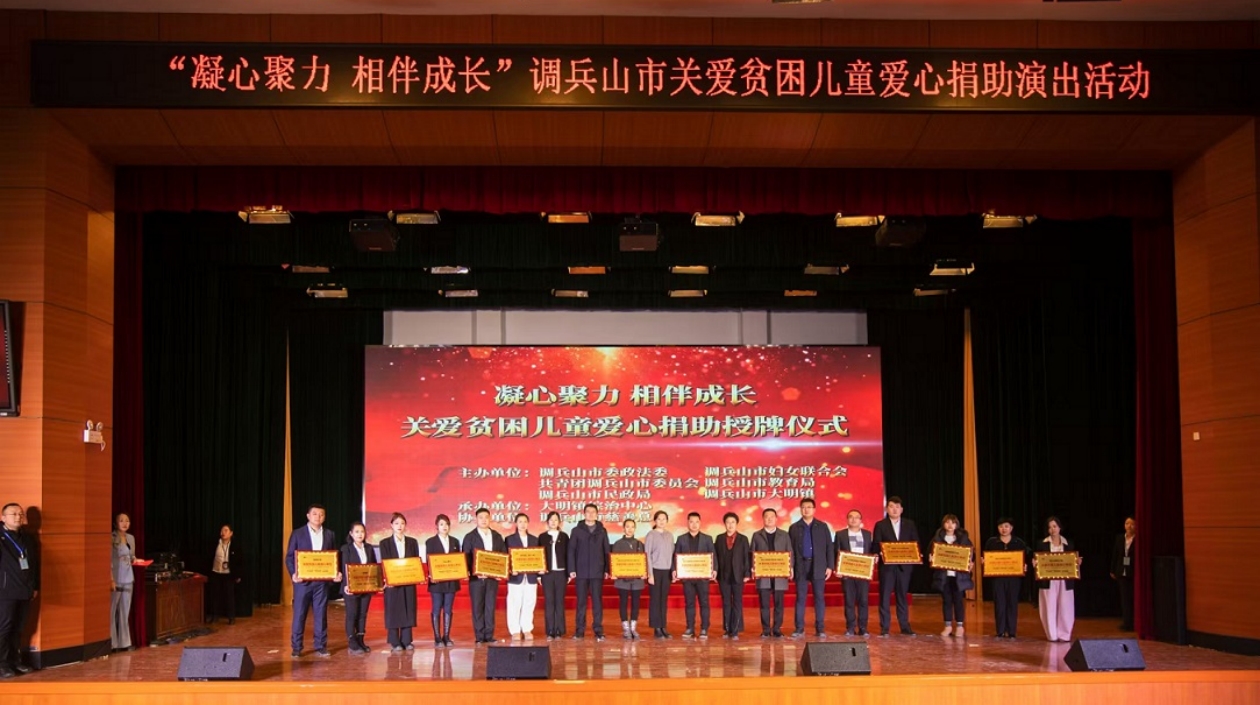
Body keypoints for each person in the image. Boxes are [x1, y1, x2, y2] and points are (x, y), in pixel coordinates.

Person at [284, 504, 341, 658]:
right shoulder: (298, 533)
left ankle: (321, 646)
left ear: (324, 517)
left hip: (321, 583)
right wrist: (294, 574)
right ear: (308, 516)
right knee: (299, 614)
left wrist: (335, 573)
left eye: (321, 514)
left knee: (321, 615)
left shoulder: (329, 534)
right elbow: (289, 557)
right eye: (315, 514)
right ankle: (297, 647)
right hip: (303, 582)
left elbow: (333, 557)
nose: (318, 517)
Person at [871, 496, 919, 636]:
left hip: (904, 567)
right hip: (887, 567)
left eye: (897, 507)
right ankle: (885, 627)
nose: (894, 510)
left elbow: (915, 543)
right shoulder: (880, 525)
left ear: (901, 510)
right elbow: (876, 544)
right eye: (891, 507)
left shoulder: (909, 524)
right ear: (887, 509)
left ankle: (904, 626)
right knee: (885, 596)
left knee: (902, 596)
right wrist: (878, 552)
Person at [0, 503, 37, 678]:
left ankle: (15, 661)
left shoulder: (27, 538)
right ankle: (2, 664)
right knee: (4, 628)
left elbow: (34, 564)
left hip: (24, 590)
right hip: (5, 591)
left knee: (18, 628)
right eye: (13, 514)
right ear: (3, 518)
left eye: (21, 514)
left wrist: (35, 586)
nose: (18, 517)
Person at [788, 497, 833, 638]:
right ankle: (799, 628)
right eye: (803, 507)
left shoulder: (822, 526)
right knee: (800, 597)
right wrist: (791, 566)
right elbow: (790, 550)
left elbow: (829, 547)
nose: (806, 510)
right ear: (800, 509)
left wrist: (830, 566)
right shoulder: (794, 528)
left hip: (818, 565)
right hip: (801, 565)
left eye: (809, 507)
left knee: (819, 597)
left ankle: (820, 629)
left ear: (814, 509)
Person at [1034, 516, 1081, 642]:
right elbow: (1038, 560)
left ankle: (1065, 634)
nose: (1052, 529)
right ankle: (1052, 635)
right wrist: (1035, 563)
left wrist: (1077, 562)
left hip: (1065, 580)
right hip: (1047, 580)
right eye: (1049, 527)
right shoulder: (1042, 543)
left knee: (1066, 607)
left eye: (1054, 526)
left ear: (1060, 527)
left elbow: (1073, 560)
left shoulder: (1069, 543)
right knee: (1048, 606)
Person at [567, 503, 610, 641]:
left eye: (593, 512)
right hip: (581, 572)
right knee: (581, 602)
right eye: (588, 512)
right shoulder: (576, 530)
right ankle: (579, 630)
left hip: (597, 571)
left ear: (597, 514)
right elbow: (571, 550)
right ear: (584, 514)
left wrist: (607, 569)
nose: (591, 514)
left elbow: (606, 551)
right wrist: (572, 569)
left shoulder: (602, 531)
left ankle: (598, 630)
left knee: (597, 602)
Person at [463, 507, 506, 644]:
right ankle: (479, 636)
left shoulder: (497, 536)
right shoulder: (470, 536)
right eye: (481, 517)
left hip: (492, 579)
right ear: (476, 519)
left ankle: (489, 635)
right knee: (477, 607)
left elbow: (503, 554)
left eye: (486, 517)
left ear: (490, 519)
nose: (484, 520)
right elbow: (466, 556)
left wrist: (501, 571)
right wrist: (472, 571)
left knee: (490, 607)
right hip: (476, 579)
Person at [379, 512, 420, 652]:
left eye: (402, 523)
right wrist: (388, 579)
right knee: (393, 609)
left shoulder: (412, 542)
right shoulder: (384, 543)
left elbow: (415, 562)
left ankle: (407, 640)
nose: (399, 526)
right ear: (391, 525)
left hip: (408, 581)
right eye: (396, 523)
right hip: (393, 582)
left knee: (409, 608)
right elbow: (385, 563)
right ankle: (394, 641)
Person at [982, 517, 1028, 639]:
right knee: (999, 604)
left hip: (1014, 578)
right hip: (997, 578)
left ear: (1011, 528)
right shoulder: (992, 542)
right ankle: (1000, 631)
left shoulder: (1019, 542)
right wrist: (984, 562)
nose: (1004, 529)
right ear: (998, 528)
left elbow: (1025, 558)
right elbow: (986, 557)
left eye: (1006, 526)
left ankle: (1011, 631)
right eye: (1001, 526)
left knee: (1012, 603)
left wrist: (1025, 565)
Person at [930, 514, 974, 638]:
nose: (950, 525)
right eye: (947, 522)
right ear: (943, 524)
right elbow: (930, 552)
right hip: (944, 576)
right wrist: (931, 558)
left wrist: (970, 562)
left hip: (959, 576)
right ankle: (948, 626)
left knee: (958, 601)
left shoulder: (963, 538)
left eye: (953, 523)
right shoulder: (937, 538)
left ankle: (960, 626)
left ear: (956, 525)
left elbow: (971, 554)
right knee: (946, 601)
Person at [674, 511, 716, 639]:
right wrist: (674, 570)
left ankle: (704, 628)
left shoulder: (707, 539)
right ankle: (690, 628)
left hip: (703, 577)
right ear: (687, 523)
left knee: (704, 603)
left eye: (696, 522)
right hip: (687, 578)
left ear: (700, 523)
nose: (694, 524)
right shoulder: (681, 539)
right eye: (691, 522)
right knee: (689, 603)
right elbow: (676, 556)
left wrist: (714, 570)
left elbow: (713, 556)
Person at [751, 508, 791, 638]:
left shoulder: (784, 535)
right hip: (763, 575)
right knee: (764, 604)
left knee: (779, 604)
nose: (769, 519)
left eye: (772, 516)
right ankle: (766, 629)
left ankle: (777, 629)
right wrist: (753, 568)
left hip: (780, 575)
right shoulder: (757, 535)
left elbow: (790, 552)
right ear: (763, 519)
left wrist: (790, 568)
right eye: (766, 516)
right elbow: (752, 554)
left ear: (776, 519)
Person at [835, 509, 875, 637]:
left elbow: (871, 551)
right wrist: (837, 568)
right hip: (847, 573)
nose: (853, 519)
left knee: (863, 600)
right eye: (851, 517)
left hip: (863, 573)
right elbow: (836, 552)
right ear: (847, 520)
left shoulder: (867, 534)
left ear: (860, 520)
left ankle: (863, 627)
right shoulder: (840, 534)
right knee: (849, 601)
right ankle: (850, 627)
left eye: (856, 517)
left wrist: (874, 557)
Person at [424, 514, 461, 647]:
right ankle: (437, 637)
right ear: (436, 526)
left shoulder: (455, 541)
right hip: (437, 582)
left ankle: (446, 636)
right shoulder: (430, 542)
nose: (444, 527)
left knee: (448, 608)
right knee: (436, 607)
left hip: (451, 581)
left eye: (446, 524)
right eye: (441, 524)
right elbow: (429, 560)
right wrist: (433, 575)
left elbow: (458, 561)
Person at [505, 512, 543, 640]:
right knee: (514, 604)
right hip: (515, 577)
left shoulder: (534, 539)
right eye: (520, 521)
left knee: (529, 603)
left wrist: (539, 570)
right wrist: (510, 569)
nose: (522, 524)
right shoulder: (509, 539)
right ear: (516, 523)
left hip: (531, 577)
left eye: (525, 522)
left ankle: (527, 628)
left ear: (528, 523)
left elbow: (538, 558)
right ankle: (515, 630)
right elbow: (506, 558)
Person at [340, 522, 375, 654]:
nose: (360, 534)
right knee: (352, 614)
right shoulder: (346, 548)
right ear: (351, 534)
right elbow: (344, 567)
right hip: (351, 588)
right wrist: (347, 585)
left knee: (362, 614)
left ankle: (361, 639)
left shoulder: (369, 548)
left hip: (366, 587)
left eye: (362, 531)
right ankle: (352, 642)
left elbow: (373, 567)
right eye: (357, 532)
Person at [714, 512, 750, 639]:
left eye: (733, 522)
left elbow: (746, 557)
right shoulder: (719, 538)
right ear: (724, 524)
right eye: (728, 522)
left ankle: (735, 630)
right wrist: (715, 571)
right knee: (726, 602)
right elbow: (715, 557)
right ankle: (727, 629)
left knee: (737, 602)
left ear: (736, 524)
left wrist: (747, 573)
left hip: (738, 575)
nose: (730, 525)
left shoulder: (743, 539)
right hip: (723, 575)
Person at [612, 518, 646, 640]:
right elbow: (615, 561)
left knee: (636, 603)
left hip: (637, 579)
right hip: (622, 579)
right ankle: (626, 628)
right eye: (627, 526)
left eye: (632, 527)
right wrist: (615, 572)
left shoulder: (640, 544)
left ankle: (633, 628)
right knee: (623, 602)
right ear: (623, 528)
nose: (630, 529)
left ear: (635, 528)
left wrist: (644, 572)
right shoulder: (618, 544)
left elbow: (643, 561)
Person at [536, 511, 568, 640]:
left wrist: (568, 573)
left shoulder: (564, 536)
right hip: (547, 573)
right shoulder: (542, 537)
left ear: (559, 522)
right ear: (547, 522)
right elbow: (538, 555)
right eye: (551, 520)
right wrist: (539, 574)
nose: (553, 522)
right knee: (549, 602)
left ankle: (559, 630)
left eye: (556, 520)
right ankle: (550, 630)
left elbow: (568, 555)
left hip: (561, 572)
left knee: (559, 602)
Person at [644, 510, 675, 639]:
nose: (661, 521)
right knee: (655, 600)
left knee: (663, 600)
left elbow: (672, 554)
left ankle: (663, 626)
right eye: (659, 519)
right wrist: (650, 574)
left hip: (666, 571)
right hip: (655, 570)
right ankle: (656, 627)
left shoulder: (670, 535)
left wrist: (673, 571)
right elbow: (647, 555)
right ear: (655, 521)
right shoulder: (651, 535)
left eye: (664, 519)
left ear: (667, 521)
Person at [110, 512, 138, 651]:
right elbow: (109, 560)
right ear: (116, 523)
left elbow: (131, 556)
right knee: (112, 611)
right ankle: (112, 643)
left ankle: (124, 643)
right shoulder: (111, 537)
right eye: (121, 520)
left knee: (124, 611)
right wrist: (111, 579)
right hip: (115, 577)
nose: (125, 523)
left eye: (127, 520)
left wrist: (136, 560)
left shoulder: (131, 538)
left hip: (128, 577)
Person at [207, 523, 243, 625]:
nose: (223, 533)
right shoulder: (216, 544)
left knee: (229, 596)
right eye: (222, 530)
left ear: (231, 533)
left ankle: (231, 617)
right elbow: (209, 557)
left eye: (226, 530)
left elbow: (240, 561)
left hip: (228, 574)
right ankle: (214, 616)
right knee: (215, 595)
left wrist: (238, 575)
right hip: (216, 572)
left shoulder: (235, 545)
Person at [1111, 516, 1136, 631]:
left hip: (1133, 572)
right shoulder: (1120, 538)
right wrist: (1113, 570)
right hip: (1121, 571)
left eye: (1132, 524)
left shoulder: (1138, 539)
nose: (1129, 526)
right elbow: (1115, 555)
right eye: (1127, 523)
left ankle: (1135, 622)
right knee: (1124, 598)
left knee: (1133, 598)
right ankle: (1127, 622)